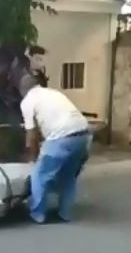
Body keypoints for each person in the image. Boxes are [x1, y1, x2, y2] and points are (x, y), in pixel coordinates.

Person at [18, 74, 92, 224]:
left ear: (23, 89)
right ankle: (65, 213)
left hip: (61, 138)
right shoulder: (54, 93)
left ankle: (37, 214)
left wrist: (33, 158)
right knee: (68, 176)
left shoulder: (27, 101)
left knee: (40, 175)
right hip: (83, 135)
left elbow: (31, 134)